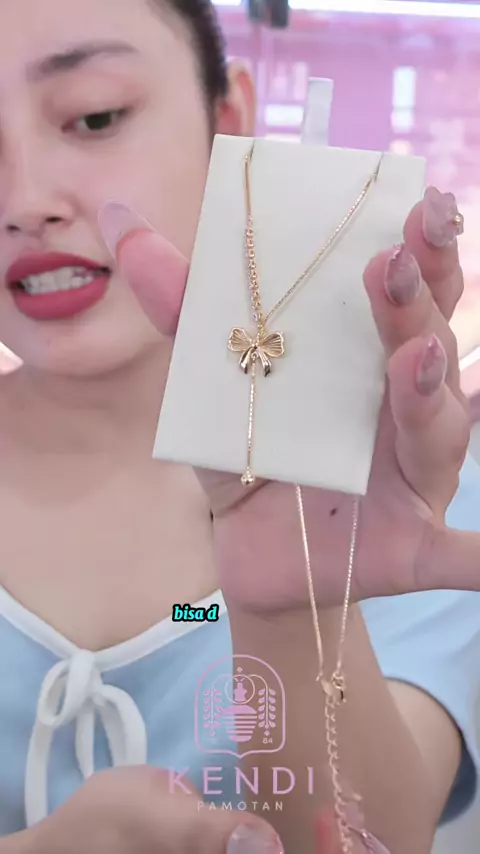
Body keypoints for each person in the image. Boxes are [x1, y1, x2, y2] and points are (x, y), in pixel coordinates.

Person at [0, 1, 477, 853]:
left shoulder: (404, 489)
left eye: (95, 116)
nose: (26, 201)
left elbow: (374, 840)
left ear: (229, 121)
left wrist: (292, 621)